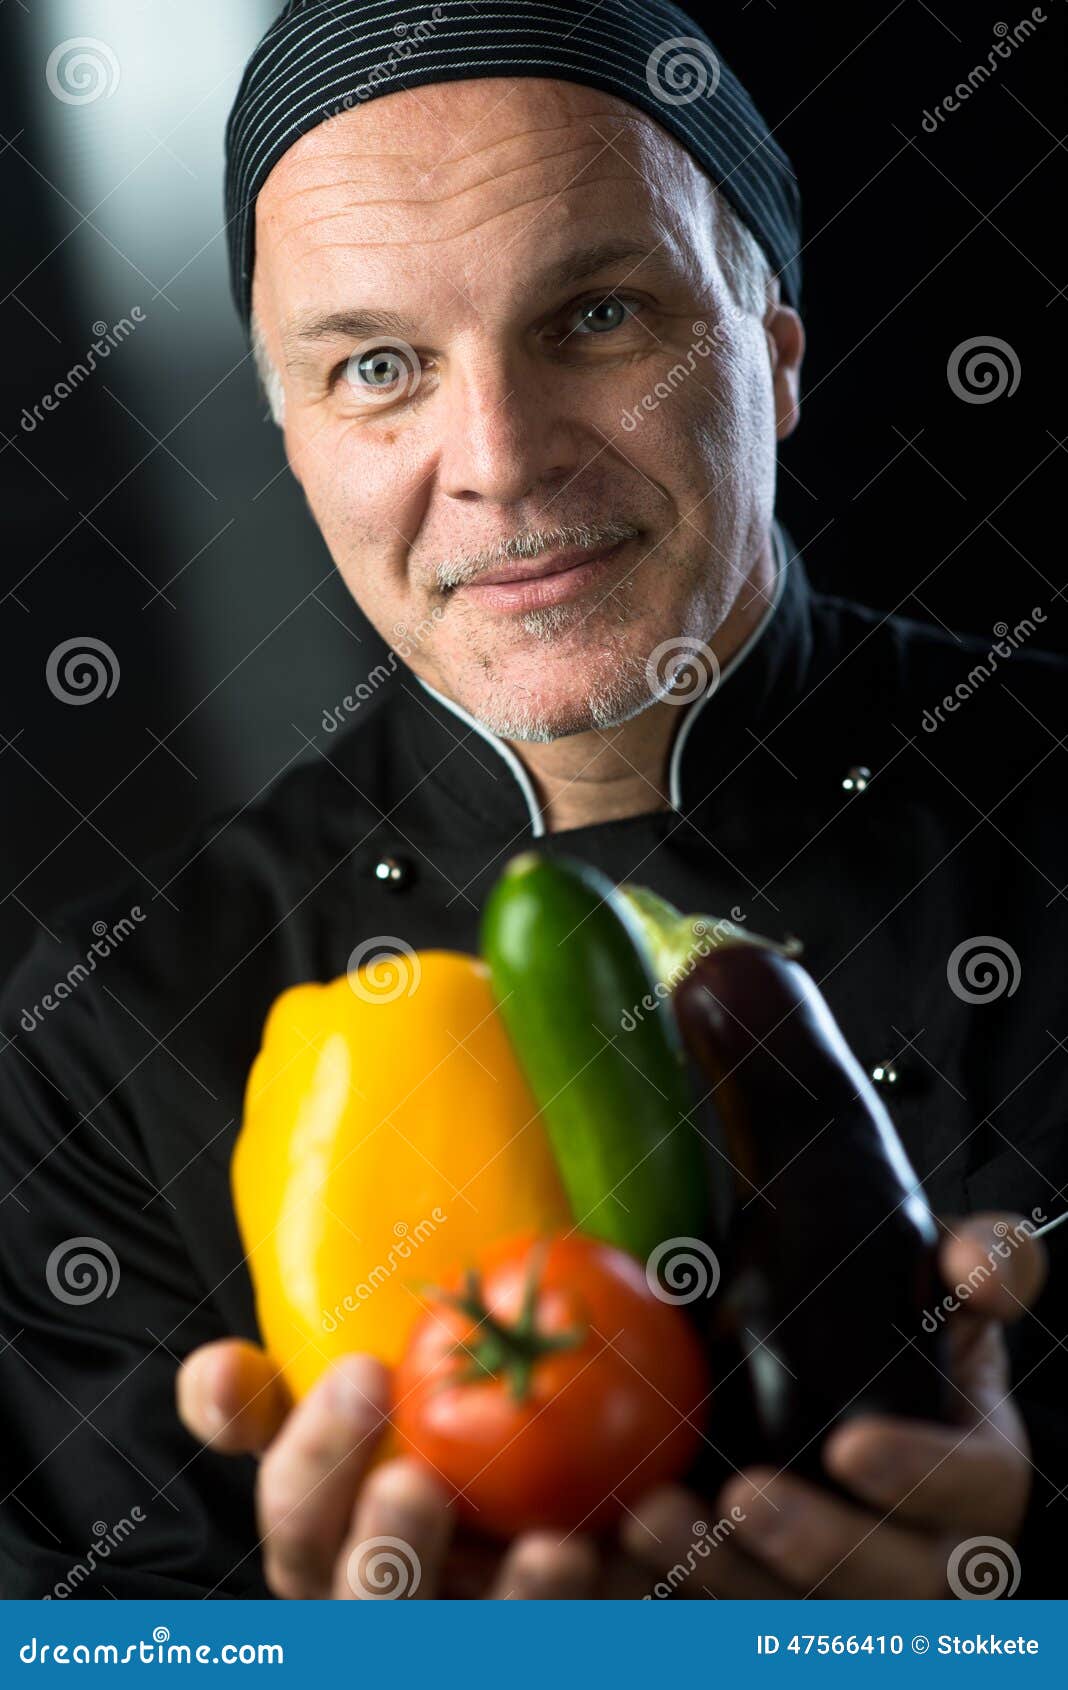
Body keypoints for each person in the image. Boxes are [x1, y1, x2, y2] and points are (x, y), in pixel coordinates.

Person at [1, 0, 1064, 1600]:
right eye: (378, 365)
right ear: (293, 436)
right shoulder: (112, 1035)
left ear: (773, 347)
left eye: (596, 318)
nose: (497, 457)